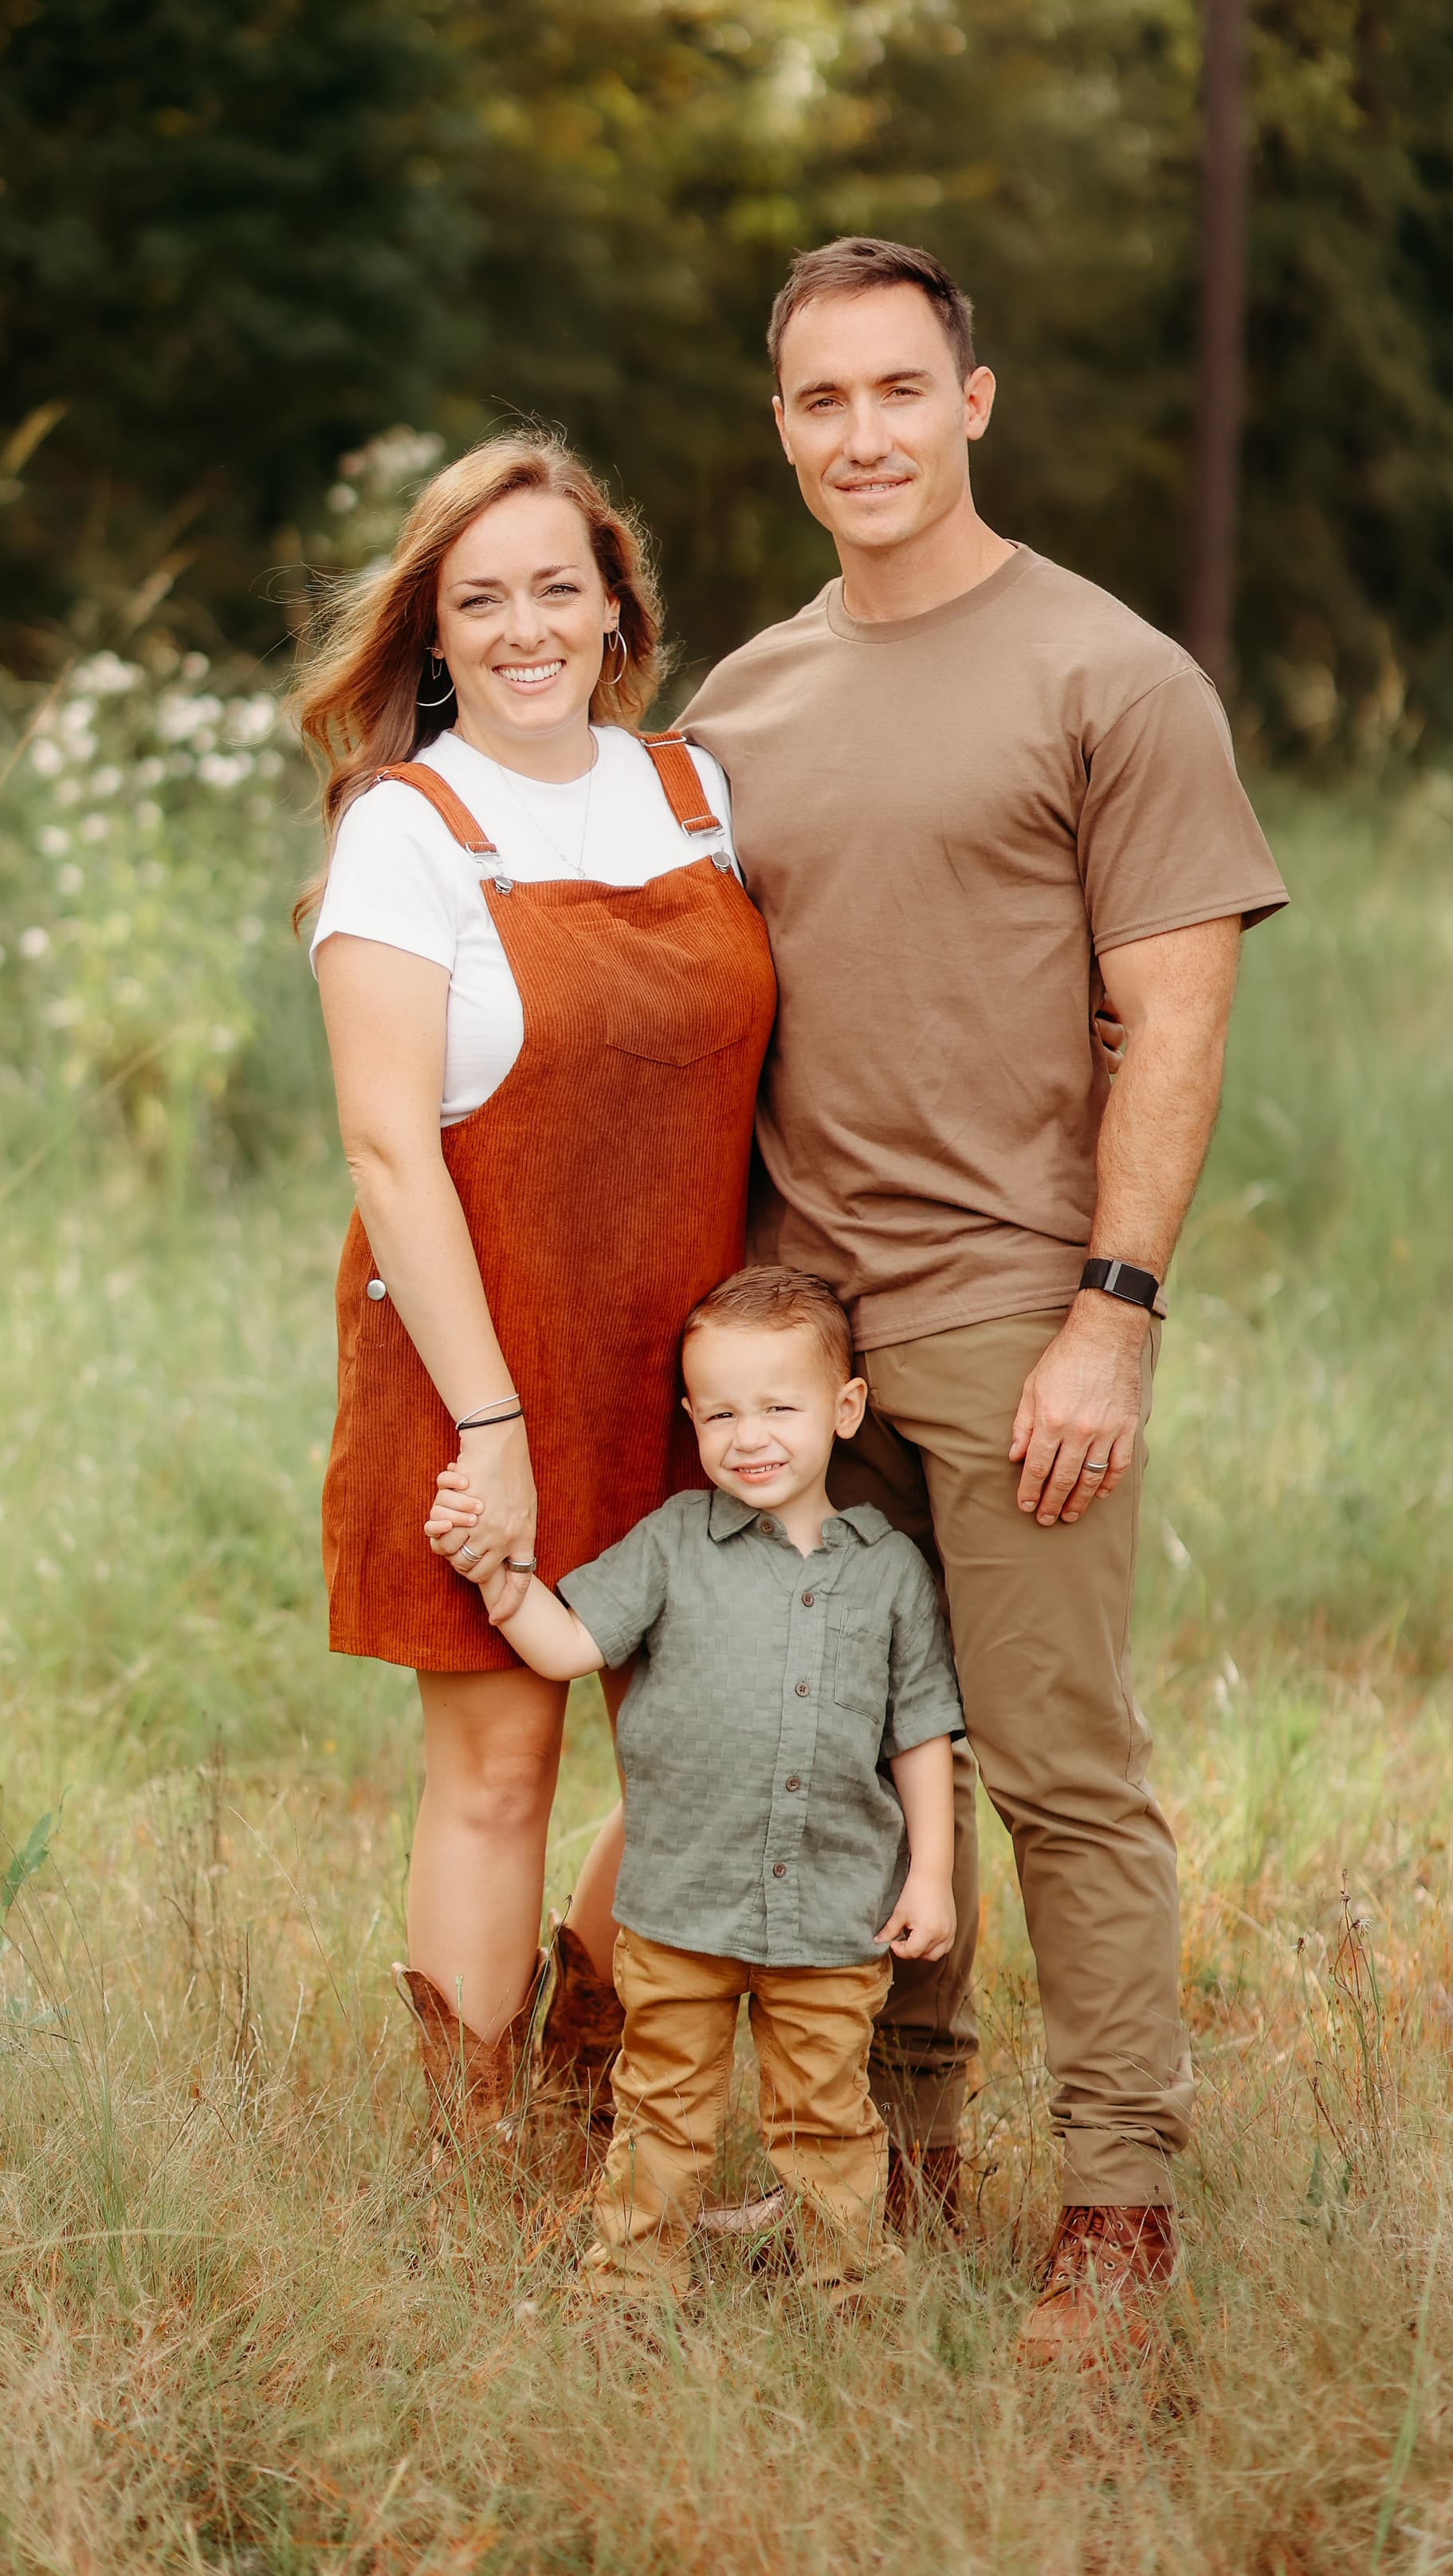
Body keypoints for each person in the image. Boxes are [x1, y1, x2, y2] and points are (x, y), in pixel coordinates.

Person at [680, 237, 1289, 2363]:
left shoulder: (1111, 675)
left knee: (1056, 1768)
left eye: (898, 389)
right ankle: (893, 2166)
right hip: (802, 1343)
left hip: (1014, 1315)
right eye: (820, 399)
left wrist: (1113, 1314)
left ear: (974, 401)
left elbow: (1176, 1016)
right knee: (850, 1753)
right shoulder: (741, 702)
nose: (862, 433)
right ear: (783, 429)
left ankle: (1120, 2207)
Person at [295, 433, 776, 2157]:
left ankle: (584, 2060)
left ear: (615, 607)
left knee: (729, 1747)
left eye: (556, 588)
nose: (523, 629)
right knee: (501, 1770)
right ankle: (473, 2155)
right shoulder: (405, 832)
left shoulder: (698, 795)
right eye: (480, 598)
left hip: (697, 1370)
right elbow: (387, 1146)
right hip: (480, 1363)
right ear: (431, 630)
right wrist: (490, 1427)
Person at [429, 1265, 961, 2302]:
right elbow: (568, 1646)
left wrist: (930, 1874)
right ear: (690, 1419)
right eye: (720, 1414)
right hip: (680, 1911)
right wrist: (496, 1575)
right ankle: (630, 2287)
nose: (749, 1437)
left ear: (846, 1408)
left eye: (780, 1408)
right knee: (660, 2110)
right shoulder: (673, 1543)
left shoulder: (891, 1572)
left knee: (825, 2117)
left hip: (832, 1914)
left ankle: (852, 2288)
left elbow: (921, 1731)